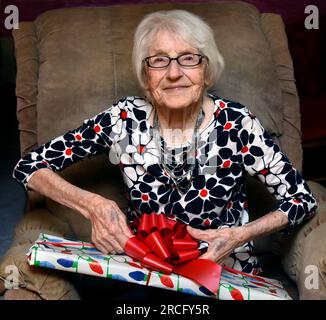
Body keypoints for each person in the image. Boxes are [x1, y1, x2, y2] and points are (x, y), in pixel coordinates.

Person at [13, 9, 317, 276]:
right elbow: (28, 167)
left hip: (224, 273)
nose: (174, 73)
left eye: (188, 59)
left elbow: (302, 199)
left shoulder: (238, 123)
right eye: (159, 61)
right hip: (148, 269)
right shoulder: (123, 119)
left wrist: (239, 235)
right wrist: (93, 205)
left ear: (206, 71)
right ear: (146, 76)